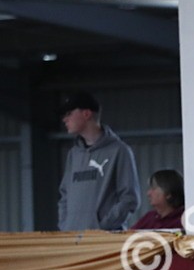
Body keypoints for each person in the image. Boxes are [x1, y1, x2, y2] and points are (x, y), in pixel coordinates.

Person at [57, 90, 141, 232]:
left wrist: (104, 226)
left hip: (102, 240)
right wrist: (65, 225)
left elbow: (130, 198)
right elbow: (65, 195)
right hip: (72, 238)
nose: (64, 119)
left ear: (86, 114)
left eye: (69, 114)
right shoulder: (74, 154)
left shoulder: (119, 151)